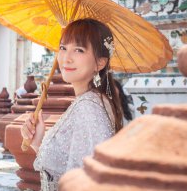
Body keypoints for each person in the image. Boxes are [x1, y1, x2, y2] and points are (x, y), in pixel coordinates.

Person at [21, 18, 124, 191]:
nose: (66, 58)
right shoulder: (91, 101)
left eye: (79, 49)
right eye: (63, 48)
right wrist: (38, 140)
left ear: (100, 62)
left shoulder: (89, 107)